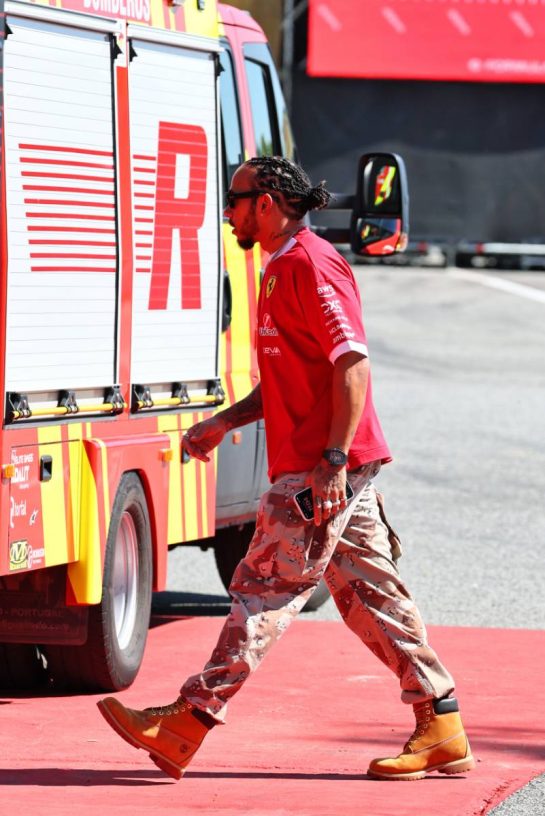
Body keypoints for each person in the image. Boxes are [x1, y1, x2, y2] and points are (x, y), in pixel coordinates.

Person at [97, 157, 474, 782]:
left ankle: (186, 722)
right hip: (331, 467)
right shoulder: (277, 268)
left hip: (322, 469)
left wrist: (330, 462)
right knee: (373, 600)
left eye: (236, 199)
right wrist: (224, 422)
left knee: (261, 592)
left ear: (267, 202)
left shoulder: (310, 264)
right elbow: (287, 377)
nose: (228, 211)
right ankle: (443, 722)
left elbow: (351, 363)